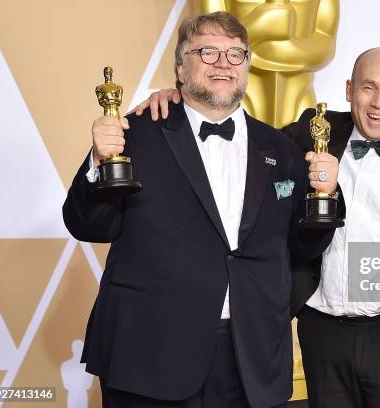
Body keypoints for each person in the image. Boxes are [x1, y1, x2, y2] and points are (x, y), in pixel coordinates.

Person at [136, 47, 380, 407]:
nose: (379, 103)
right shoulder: (312, 129)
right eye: (368, 87)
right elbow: (243, 139)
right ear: (349, 90)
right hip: (321, 331)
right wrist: (182, 99)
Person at [63, 11, 340, 408]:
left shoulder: (281, 149)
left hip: (252, 359)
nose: (223, 64)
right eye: (207, 52)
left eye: (235, 54)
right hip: (151, 354)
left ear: (247, 65)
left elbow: (304, 246)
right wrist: (97, 160)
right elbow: (88, 224)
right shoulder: (135, 134)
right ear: (180, 67)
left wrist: (327, 194)